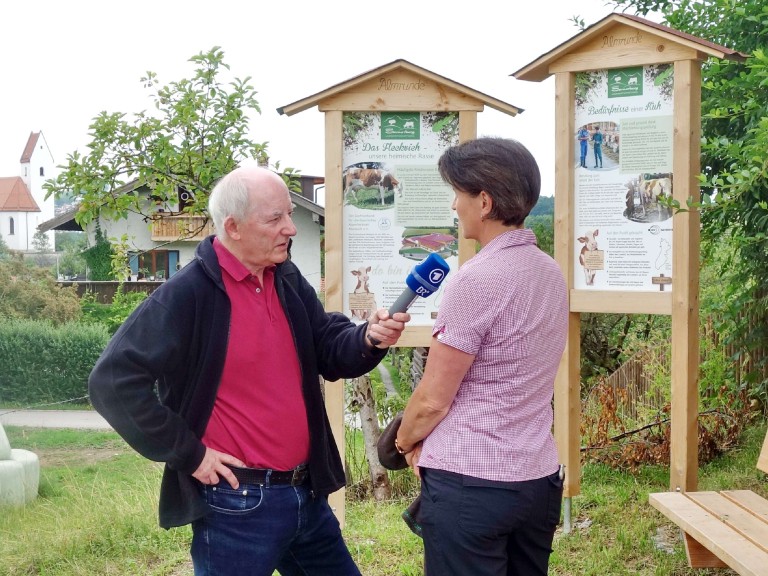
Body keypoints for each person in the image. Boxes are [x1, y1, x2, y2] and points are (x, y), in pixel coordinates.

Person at [88, 165, 410, 576]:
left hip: (306, 495)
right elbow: (112, 382)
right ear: (233, 227)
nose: (291, 228)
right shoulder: (187, 295)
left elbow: (328, 346)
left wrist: (368, 337)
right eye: (275, 219)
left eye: (289, 214)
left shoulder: (285, 277)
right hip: (235, 504)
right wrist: (192, 454)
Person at [394, 137, 569, 576]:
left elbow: (434, 397)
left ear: (485, 201)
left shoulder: (475, 280)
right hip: (537, 479)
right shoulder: (550, 272)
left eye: (459, 193)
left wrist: (403, 440)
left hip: (472, 487)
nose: (455, 205)